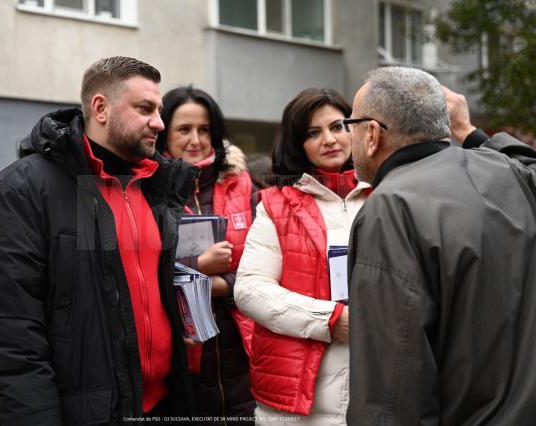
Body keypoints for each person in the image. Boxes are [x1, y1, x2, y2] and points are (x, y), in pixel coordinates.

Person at [0, 56, 198, 425]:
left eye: (158, 109)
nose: (159, 122)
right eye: (145, 108)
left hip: (161, 407)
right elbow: (12, 337)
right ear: (100, 107)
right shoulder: (22, 190)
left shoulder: (155, 188)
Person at [346, 66, 536, 425]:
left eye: (350, 125)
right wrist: (469, 132)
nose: (347, 138)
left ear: (371, 133)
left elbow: (392, 382)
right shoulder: (504, 173)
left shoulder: (391, 207)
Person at [234, 88, 371, 425]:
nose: (330, 139)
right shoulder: (275, 205)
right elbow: (250, 290)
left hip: (373, 383)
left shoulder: (385, 194)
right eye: (313, 133)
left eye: (338, 126)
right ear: (298, 143)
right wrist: (329, 320)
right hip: (298, 398)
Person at [155, 86, 256, 424]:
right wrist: (199, 266)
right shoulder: (149, 191)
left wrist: (221, 284)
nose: (195, 140)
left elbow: (268, 265)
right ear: (165, 134)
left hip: (244, 349)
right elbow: (140, 271)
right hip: (182, 356)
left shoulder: (241, 184)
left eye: (204, 129)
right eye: (184, 130)